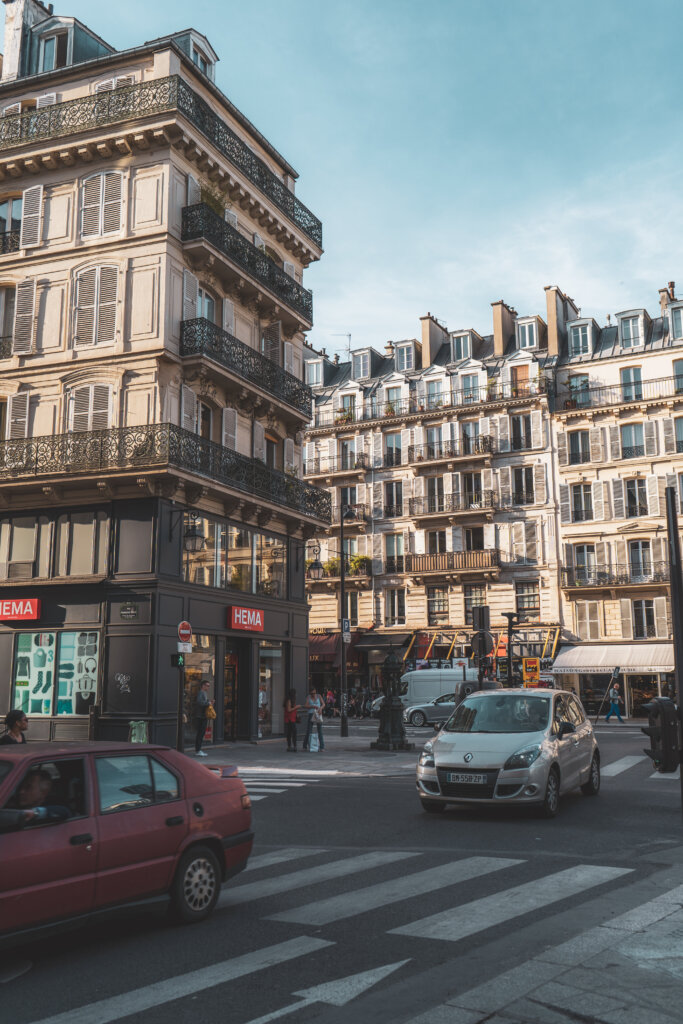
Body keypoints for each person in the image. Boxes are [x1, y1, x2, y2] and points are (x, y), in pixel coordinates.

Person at [194, 680, 213, 756]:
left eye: (209, 686)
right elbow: (199, 702)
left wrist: (209, 702)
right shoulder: (201, 693)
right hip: (200, 716)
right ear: (203, 686)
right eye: (207, 685)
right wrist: (208, 703)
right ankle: (198, 750)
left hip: (202, 715)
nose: (208, 687)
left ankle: (198, 750)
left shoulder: (204, 693)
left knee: (201, 734)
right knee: (200, 734)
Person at [303, 686, 325, 752]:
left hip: (318, 713)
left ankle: (322, 747)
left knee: (320, 730)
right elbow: (305, 705)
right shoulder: (308, 697)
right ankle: (305, 746)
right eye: (312, 693)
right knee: (309, 730)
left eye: (314, 693)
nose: (313, 694)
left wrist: (321, 708)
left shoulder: (319, 696)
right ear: (310, 693)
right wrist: (312, 706)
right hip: (311, 714)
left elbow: (323, 704)